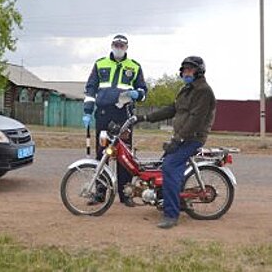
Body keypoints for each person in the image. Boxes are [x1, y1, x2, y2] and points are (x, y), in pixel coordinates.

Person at [135, 56, 216, 229]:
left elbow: (196, 119)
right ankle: (169, 199)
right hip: (182, 136)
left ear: (199, 71)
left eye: (190, 70)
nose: (186, 72)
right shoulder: (186, 89)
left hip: (193, 138)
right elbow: (172, 109)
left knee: (169, 167)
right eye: (184, 70)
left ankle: (171, 215)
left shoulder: (203, 91)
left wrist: (178, 140)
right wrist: (145, 117)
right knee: (160, 166)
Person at [83, 34, 148, 206]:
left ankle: (125, 194)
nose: (119, 47)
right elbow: (90, 89)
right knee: (102, 153)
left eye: (122, 45)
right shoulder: (100, 64)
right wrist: (87, 111)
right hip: (104, 114)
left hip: (124, 115)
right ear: (111, 45)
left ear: (127, 48)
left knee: (124, 154)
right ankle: (100, 192)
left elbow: (143, 91)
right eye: (116, 44)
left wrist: (138, 94)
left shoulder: (134, 66)